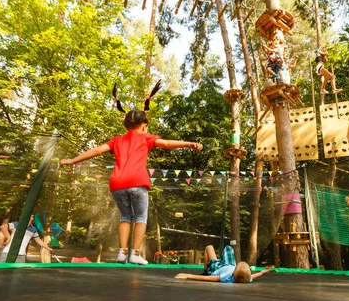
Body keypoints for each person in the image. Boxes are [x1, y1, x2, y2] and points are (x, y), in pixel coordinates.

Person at [60, 83, 203, 265]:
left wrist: (72, 160)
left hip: (117, 184)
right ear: (144, 125)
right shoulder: (146, 137)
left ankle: (122, 253)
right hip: (137, 181)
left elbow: (96, 150)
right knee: (141, 217)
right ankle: (135, 253)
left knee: (125, 216)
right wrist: (189, 143)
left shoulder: (117, 140)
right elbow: (166, 144)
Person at [174, 245, 271, 283]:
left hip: (217, 267)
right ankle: (219, 261)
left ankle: (206, 270)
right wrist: (262, 272)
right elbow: (253, 276)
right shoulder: (246, 278)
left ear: (233, 273)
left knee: (209, 247)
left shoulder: (226, 276)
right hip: (227, 264)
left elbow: (209, 278)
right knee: (228, 248)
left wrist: (188, 275)